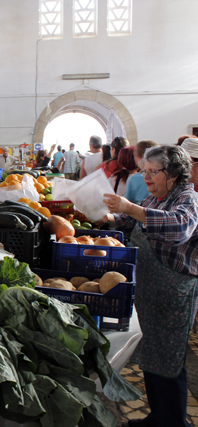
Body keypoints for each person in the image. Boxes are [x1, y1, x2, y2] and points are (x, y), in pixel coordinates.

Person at [101, 145, 198, 427]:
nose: (147, 177)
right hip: (151, 290)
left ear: (174, 173)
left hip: (174, 293)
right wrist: (110, 217)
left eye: (153, 172)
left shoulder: (187, 199)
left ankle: (174, 422)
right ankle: (158, 417)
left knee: (169, 359)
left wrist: (130, 206)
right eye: (145, 171)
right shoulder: (156, 198)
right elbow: (132, 220)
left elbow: (179, 227)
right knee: (153, 356)